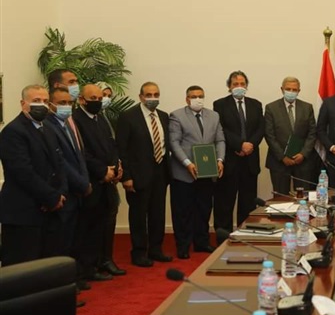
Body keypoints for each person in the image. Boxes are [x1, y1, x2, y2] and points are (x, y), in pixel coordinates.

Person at [0, 85, 67, 266]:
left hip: (50, 211)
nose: (42, 105)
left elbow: (59, 164)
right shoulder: (13, 132)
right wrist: (50, 197)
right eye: (36, 101)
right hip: (24, 213)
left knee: (47, 266)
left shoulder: (48, 129)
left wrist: (59, 194)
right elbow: (23, 172)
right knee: (22, 268)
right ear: (23, 104)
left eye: (45, 101)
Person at [116, 82, 173, 267]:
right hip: (137, 175)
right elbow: (121, 148)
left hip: (160, 172)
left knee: (158, 214)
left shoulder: (163, 116)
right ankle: (139, 252)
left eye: (156, 94)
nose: (152, 98)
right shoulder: (128, 117)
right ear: (141, 96)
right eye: (149, 95)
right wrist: (126, 176)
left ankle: (156, 249)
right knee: (139, 216)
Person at [73, 83, 126, 281]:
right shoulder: (76, 120)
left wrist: (117, 166)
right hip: (92, 181)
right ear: (82, 100)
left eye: (100, 98)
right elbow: (81, 152)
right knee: (89, 227)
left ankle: (105, 260)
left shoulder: (101, 118)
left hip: (108, 181)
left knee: (106, 223)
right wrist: (103, 171)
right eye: (93, 99)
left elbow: (111, 144)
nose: (98, 102)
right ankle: (88, 268)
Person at [169, 85, 225, 259]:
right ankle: (183, 246)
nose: (198, 99)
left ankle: (202, 242)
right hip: (184, 173)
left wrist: (220, 160)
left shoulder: (214, 116)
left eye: (200, 96)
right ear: (187, 99)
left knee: (204, 209)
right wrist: (187, 163)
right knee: (183, 211)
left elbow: (220, 140)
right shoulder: (177, 115)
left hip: (207, 172)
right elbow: (174, 143)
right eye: (194, 96)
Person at [46, 86, 92, 297]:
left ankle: (74, 280)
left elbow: (79, 157)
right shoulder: (49, 127)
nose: (67, 106)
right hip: (66, 192)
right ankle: (62, 289)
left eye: (69, 103)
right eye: (61, 103)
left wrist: (85, 181)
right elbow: (61, 162)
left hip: (78, 192)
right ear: (50, 105)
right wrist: (81, 183)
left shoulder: (67, 124)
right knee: (61, 245)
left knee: (75, 241)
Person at [213, 70, 264, 233]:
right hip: (229, 160)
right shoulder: (220, 104)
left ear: (247, 86)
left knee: (248, 203)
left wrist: (250, 145)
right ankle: (223, 236)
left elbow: (260, 128)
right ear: (229, 86)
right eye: (235, 84)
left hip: (250, 161)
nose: (239, 87)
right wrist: (239, 145)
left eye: (242, 84)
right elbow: (221, 129)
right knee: (224, 203)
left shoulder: (256, 104)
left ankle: (245, 234)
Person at [264, 76, 318, 195]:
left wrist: (303, 154)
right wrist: (283, 157)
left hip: (302, 162)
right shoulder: (271, 108)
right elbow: (269, 135)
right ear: (282, 89)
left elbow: (312, 133)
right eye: (288, 89)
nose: (291, 92)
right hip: (279, 162)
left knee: (303, 198)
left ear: (299, 91)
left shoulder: (307, 107)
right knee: (280, 198)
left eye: (294, 90)